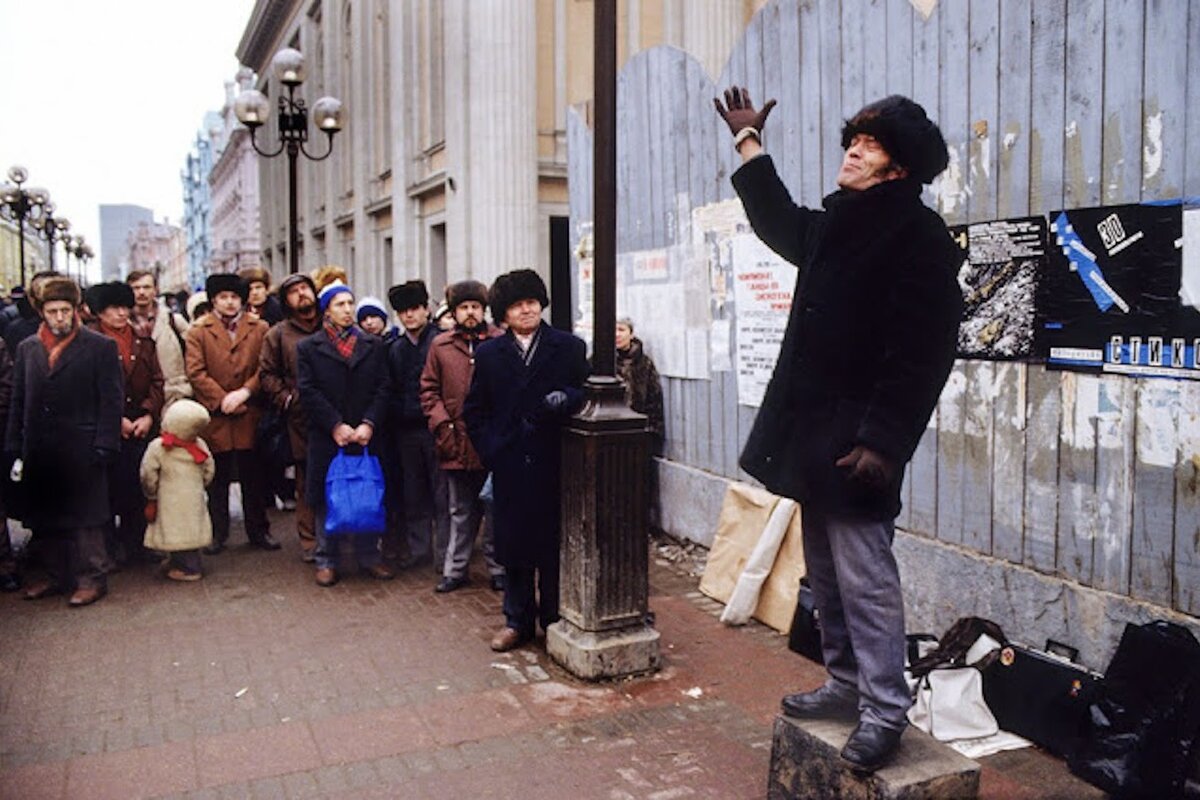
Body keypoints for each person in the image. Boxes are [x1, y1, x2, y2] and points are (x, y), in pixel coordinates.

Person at [713, 88, 962, 772]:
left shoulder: (919, 237)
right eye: (851, 139)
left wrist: (883, 442)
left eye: (870, 144)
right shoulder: (839, 223)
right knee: (824, 572)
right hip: (813, 437)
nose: (852, 150)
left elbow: (924, 351)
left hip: (860, 445)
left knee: (865, 577)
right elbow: (776, 222)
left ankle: (885, 708)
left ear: (899, 168)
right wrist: (749, 144)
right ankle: (846, 683)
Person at [464, 269, 589, 652]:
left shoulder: (568, 347)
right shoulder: (489, 354)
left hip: (554, 460)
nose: (527, 310)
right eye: (518, 305)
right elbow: (474, 410)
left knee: (552, 546)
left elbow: (586, 389)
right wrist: (492, 450)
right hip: (510, 462)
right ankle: (516, 621)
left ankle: (553, 617)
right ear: (503, 313)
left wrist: (566, 398)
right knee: (513, 547)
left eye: (532, 302)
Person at [6, 277, 123, 607]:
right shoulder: (28, 348)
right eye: (52, 311)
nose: (59, 317)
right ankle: (56, 576)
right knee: (47, 516)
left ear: (76, 311)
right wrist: (15, 447)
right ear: (41, 313)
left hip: (83, 447)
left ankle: (92, 578)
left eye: (65, 311)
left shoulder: (99, 346)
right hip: (41, 449)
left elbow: (111, 400)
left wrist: (104, 443)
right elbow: (19, 399)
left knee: (87, 519)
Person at [296, 281, 395, 586]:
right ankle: (327, 558)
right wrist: (335, 424)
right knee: (330, 494)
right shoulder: (309, 348)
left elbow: (384, 386)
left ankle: (369, 555)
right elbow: (308, 391)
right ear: (326, 311)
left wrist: (369, 423)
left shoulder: (373, 345)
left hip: (366, 433)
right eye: (340, 304)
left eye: (350, 303)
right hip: (328, 435)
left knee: (368, 493)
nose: (348, 310)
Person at [420, 279, 505, 593]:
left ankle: (498, 567)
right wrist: (443, 424)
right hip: (454, 441)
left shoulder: (498, 340)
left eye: (475, 307)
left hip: (491, 441)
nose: (470, 313)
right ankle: (455, 569)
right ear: (454, 312)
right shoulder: (440, 346)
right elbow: (428, 390)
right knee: (459, 508)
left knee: (495, 508)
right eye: (464, 307)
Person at [184, 273, 279, 554]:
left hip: (249, 411)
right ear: (214, 300)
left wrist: (245, 392)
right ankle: (217, 532)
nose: (229, 303)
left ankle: (259, 529)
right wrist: (222, 398)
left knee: (254, 476)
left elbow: (265, 366)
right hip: (217, 416)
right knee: (217, 478)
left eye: (234, 297)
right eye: (223, 297)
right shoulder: (198, 331)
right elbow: (196, 371)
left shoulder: (259, 328)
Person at [85, 281, 165, 566]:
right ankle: (109, 550)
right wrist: (114, 419)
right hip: (107, 429)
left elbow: (158, 380)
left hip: (140, 425)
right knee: (106, 492)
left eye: (124, 307)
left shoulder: (143, 340)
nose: (121, 313)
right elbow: (87, 388)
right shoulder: (90, 341)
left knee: (138, 487)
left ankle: (137, 544)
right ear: (99, 312)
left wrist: (147, 414)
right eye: (113, 308)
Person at [260, 273, 324, 562]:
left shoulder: (329, 325)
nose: (302, 295)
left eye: (305, 289)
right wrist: (287, 399)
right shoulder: (278, 334)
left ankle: (339, 534)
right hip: (301, 420)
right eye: (294, 291)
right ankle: (309, 539)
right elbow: (267, 374)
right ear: (285, 300)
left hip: (335, 415)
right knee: (306, 480)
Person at [385, 280, 447, 571]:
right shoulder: (395, 348)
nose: (409, 316)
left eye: (414, 309)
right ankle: (419, 549)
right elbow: (390, 387)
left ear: (426, 309)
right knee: (414, 492)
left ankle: (444, 552)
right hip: (405, 430)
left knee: (442, 493)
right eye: (402, 311)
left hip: (435, 428)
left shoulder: (440, 342)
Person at [140, 399, 216, 581]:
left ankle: (190, 570)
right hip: (193, 499)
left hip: (168, 499)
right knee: (190, 530)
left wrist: (151, 492)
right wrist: (201, 484)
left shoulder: (158, 447)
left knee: (174, 530)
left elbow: (147, 473)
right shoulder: (199, 445)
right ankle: (178, 562)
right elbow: (209, 469)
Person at [126, 269, 191, 408]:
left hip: (173, 395)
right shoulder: (122, 324)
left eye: (146, 287)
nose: (141, 292)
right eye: (136, 288)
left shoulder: (174, 321)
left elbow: (195, 354)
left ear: (155, 290)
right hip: (138, 402)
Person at [614, 318, 665, 455]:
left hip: (637, 433)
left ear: (631, 334)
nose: (617, 334)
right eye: (613, 330)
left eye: (621, 329)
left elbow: (654, 399)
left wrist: (652, 431)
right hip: (610, 432)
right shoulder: (600, 361)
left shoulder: (644, 363)